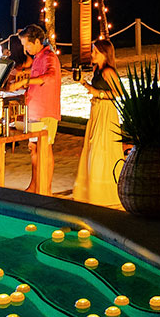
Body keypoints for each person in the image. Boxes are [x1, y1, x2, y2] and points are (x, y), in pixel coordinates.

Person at [72, 38, 122, 208]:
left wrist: (98, 93)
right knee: (93, 146)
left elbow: (119, 94)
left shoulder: (109, 72)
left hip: (106, 111)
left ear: (104, 54)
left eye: (95, 52)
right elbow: (94, 90)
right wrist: (84, 84)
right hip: (96, 109)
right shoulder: (97, 70)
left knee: (102, 148)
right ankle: (91, 190)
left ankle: (105, 192)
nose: (92, 54)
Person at [18, 25, 61, 195]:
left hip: (46, 111)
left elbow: (49, 76)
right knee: (33, 147)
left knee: (44, 148)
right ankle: (35, 185)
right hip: (36, 110)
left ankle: (45, 188)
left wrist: (25, 82)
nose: (25, 48)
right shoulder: (38, 57)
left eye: (26, 44)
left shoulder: (49, 56)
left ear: (36, 41)